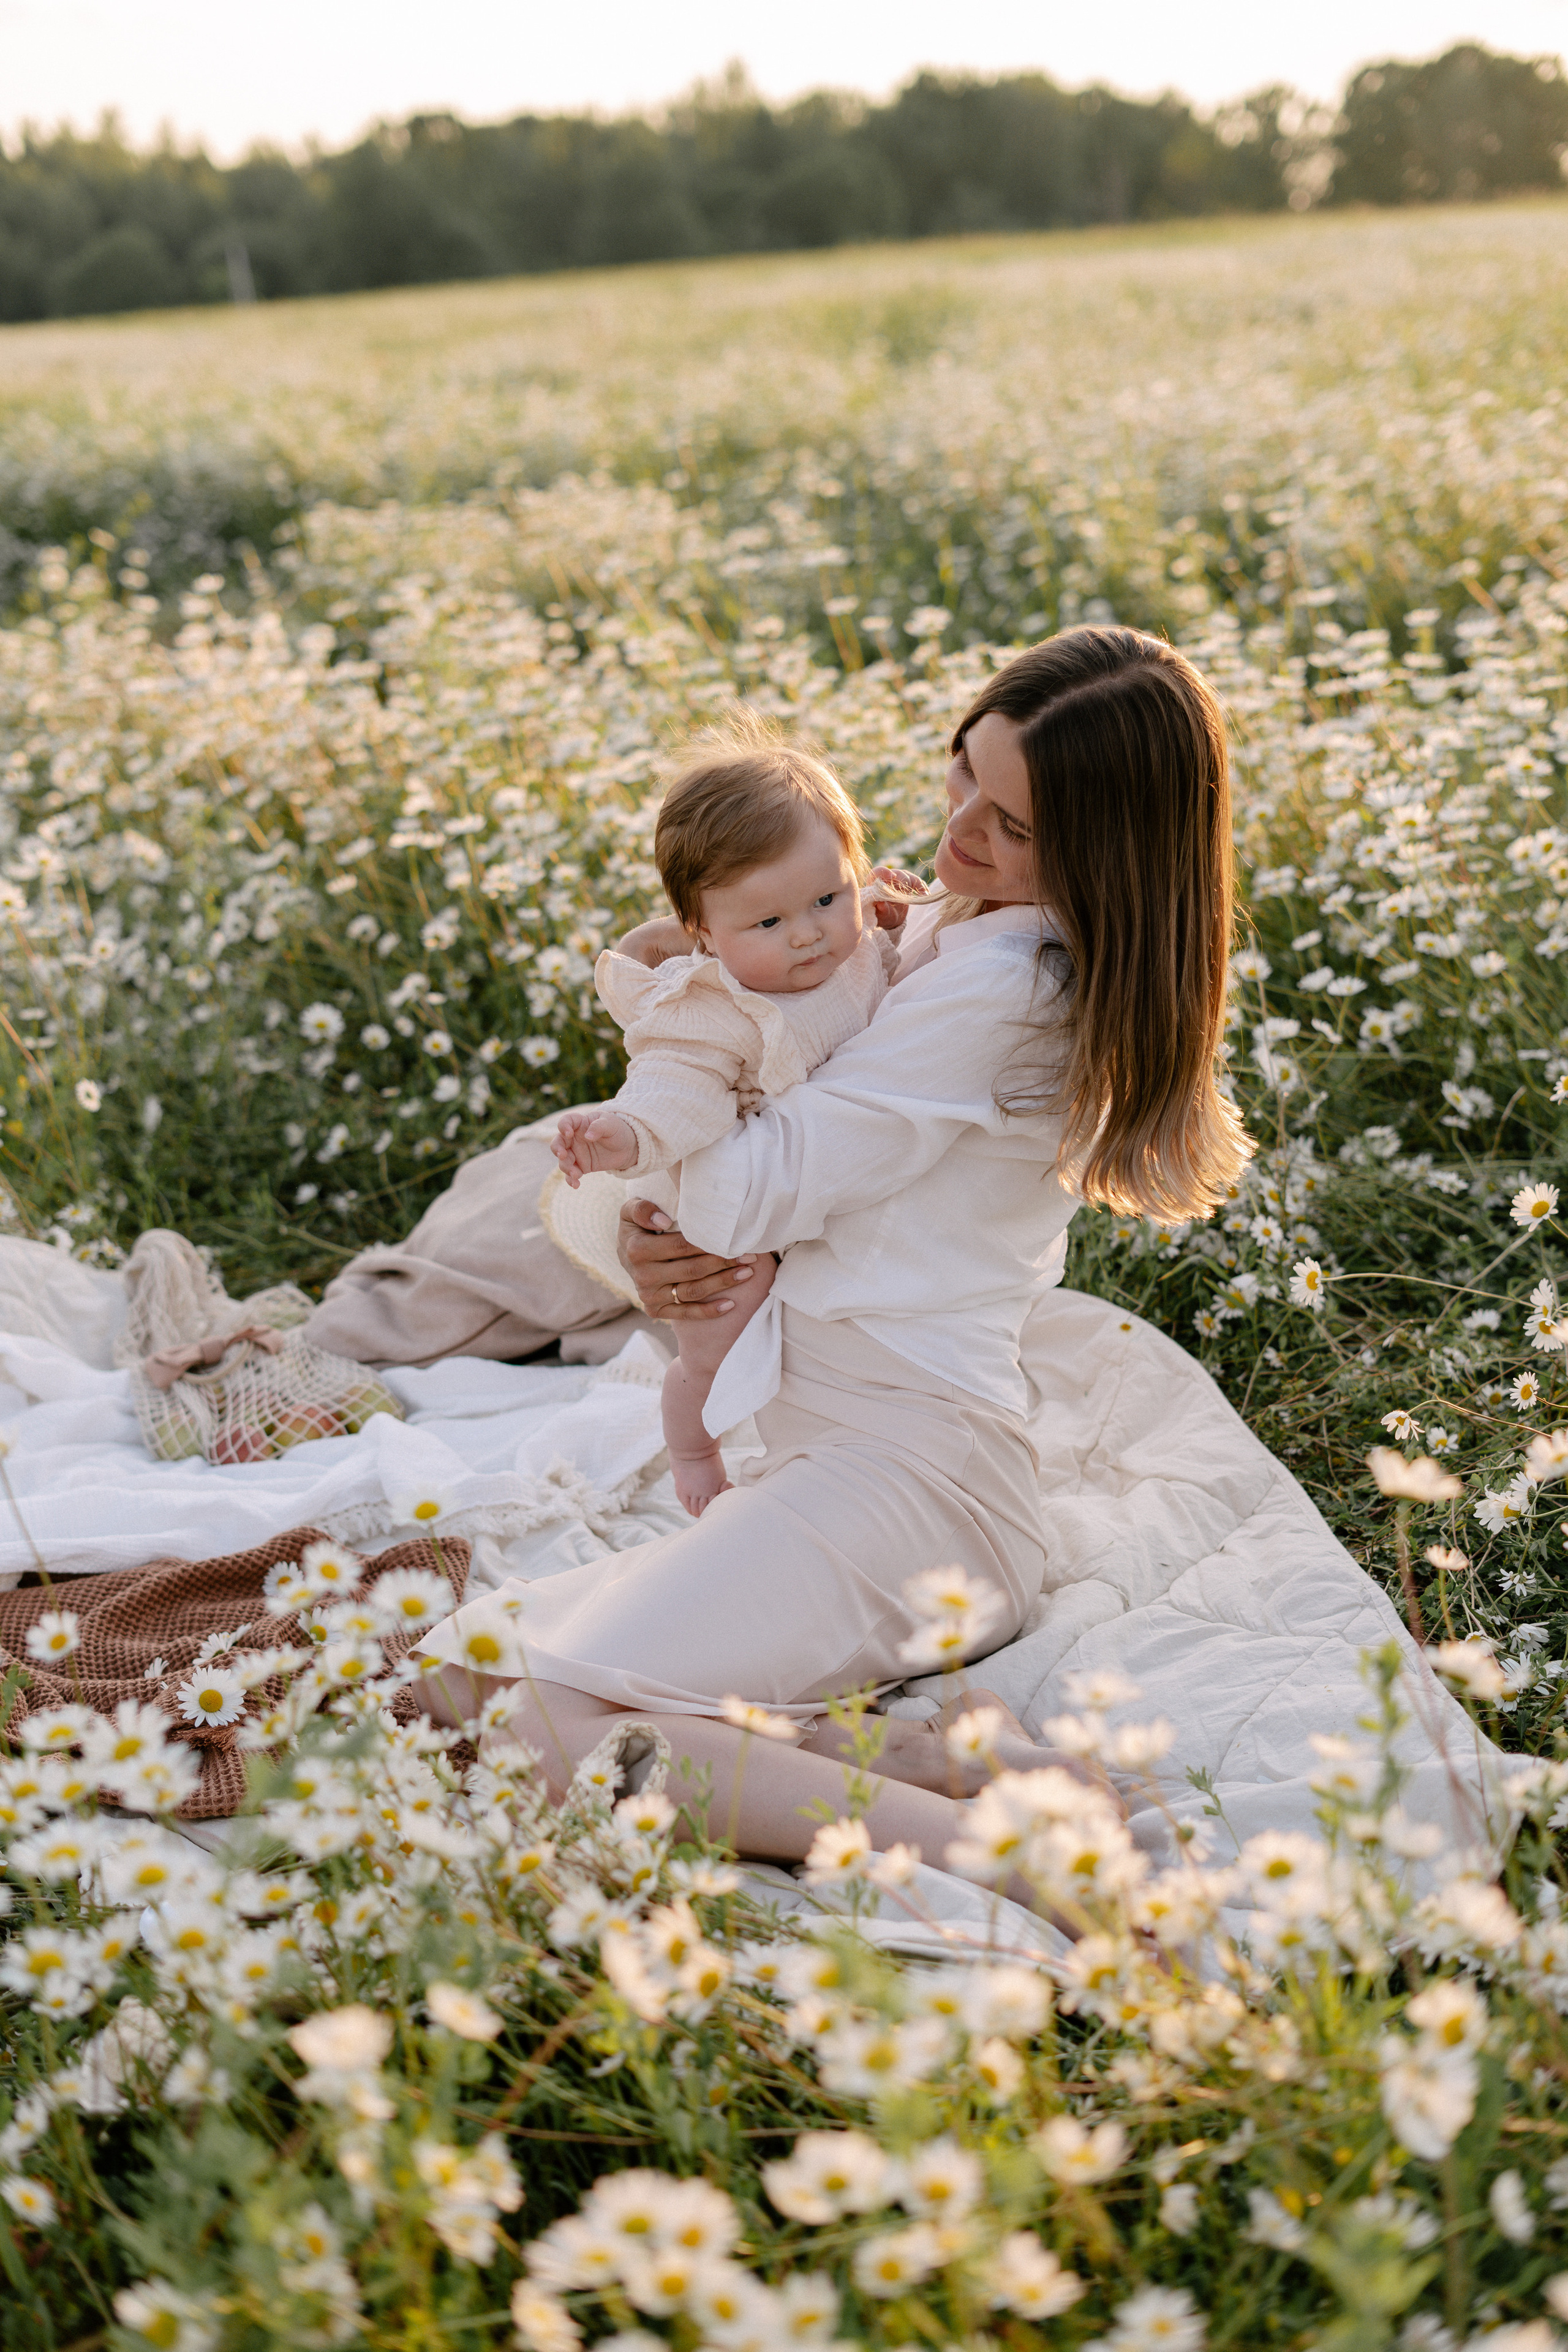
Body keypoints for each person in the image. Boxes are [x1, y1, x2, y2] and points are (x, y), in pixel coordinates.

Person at [418, 626, 1253, 1885]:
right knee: (447, 1684)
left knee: (524, 1730)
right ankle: (914, 1758)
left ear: (1106, 854)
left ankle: (1008, 1854)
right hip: (850, 1463)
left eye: (1012, 826)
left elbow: (743, 1195)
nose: (961, 827)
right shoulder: (949, 924)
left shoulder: (1004, 990)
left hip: (913, 1483)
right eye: (961, 771)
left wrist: (665, 1028)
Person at [549, 729, 919, 1517]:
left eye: (828, 898)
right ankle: (693, 1447)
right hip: (724, 1215)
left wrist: (892, 914)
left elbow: (898, 958)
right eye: (768, 924)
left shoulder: (856, 942)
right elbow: (671, 1094)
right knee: (720, 1335)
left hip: (824, 1185)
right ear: (702, 933)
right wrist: (619, 1134)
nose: (808, 934)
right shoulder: (709, 1010)